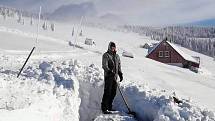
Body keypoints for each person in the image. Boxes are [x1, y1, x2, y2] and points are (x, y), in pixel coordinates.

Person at [101, 41, 123, 114]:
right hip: (109, 77)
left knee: (113, 92)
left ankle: (109, 107)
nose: (113, 49)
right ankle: (104, 108)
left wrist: (120, 73)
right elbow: (104, 65)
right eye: (111, 47)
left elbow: (119, 65)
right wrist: (109, 72)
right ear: (109, 47)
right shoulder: (106, 55)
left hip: (115, 77)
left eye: (114, 47)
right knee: (107, 92)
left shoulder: (117, 56)